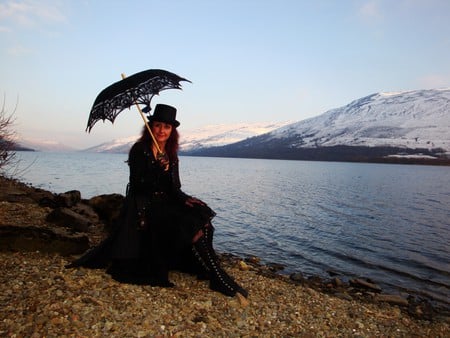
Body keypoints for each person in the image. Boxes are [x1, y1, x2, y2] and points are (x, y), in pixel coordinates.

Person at [67, 104, 247, 299]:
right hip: (144, 204)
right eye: (158, 125)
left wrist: (187, 199)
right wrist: (157, 169)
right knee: (190, 225)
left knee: (201, 216)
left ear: (172, 131)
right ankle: (217, 277)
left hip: (166, 201)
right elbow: (138, 184)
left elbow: (174, 188)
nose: (162, 131)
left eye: (167, 127)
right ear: (150, 126)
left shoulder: (171, 153)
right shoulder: (139, 149)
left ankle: (212, 271)